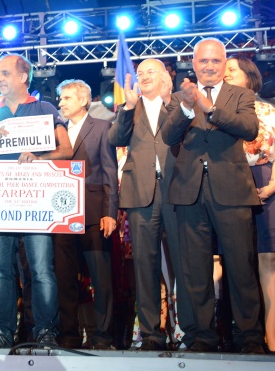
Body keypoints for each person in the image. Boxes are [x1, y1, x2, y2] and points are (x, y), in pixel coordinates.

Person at [161, 38, 263, 354]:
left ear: (224, 63)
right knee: (194, 270)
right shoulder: (178, 98)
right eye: (203, 61)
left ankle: (248, 337)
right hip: (189, 192)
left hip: (232, 191)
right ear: (193, 64)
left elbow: (249, 128)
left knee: (241, 267)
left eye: (215, 61)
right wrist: (187, 107)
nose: (209, 66)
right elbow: (168, 136)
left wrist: (211, 109)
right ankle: (201, 337)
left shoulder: (241, 94)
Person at [0, 54, 72, 349]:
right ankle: (0, 332)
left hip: (35, 204)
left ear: (23, 77)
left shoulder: (44, 108)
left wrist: (39, 157)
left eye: (5, 73)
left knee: (41, 270)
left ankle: (45, 332)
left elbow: (66, 150)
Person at [108, 59, 194, 351]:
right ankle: (150, 335)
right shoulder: (130, 107)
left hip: (178, 189)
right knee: (145, 266)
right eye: (140, 73)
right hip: (140, 193)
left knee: (184, 263)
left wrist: (171, 101)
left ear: (166, 78)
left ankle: (190, 332)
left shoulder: (179, 102)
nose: (143, 77)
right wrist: (128, 108)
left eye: (150, 72)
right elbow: (115, 138)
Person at [224, 55, 275, 354]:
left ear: (248, 76)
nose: (226, 74)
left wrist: (274, 184)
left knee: (269, 261)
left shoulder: (267, 110)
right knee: (236, 263)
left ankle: (273, 334)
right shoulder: (218, 109)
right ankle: (245, 333)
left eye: (232, 70)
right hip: (230, 186)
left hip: (267, 183)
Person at [53, 79, 119, 350]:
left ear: (83, 100)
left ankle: (103, 336)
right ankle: (69, 335)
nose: (61, 103)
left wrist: (110, 212)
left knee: (100, 278)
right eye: (60, 98)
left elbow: (110, 171)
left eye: (67, 98)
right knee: (65, 278)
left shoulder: (102, 127)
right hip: (61, 214)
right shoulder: (55, 132)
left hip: (93, 213)